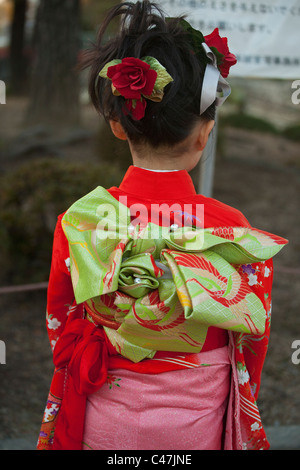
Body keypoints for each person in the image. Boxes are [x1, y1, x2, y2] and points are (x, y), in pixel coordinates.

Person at [37, 1, 287, 451]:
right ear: (204, 132)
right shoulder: (233, 230)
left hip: (104, 413)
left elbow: (62, 320)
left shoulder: (81, 221)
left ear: (117, 125)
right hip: (197, 424)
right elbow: (251, 335)